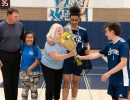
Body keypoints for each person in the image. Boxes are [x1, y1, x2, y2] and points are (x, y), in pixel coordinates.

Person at [77, 22, 130, 100]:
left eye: (106, 32)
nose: (105, 34)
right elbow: (95, 55)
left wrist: (108, 73)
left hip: (122, 80)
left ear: (112, 32)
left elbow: (123, 63)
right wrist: (81, 57)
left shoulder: (123, 44)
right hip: (113, 80)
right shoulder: (109, 45)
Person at [40, 23, 76, 100]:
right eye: (58, 31)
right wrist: (69, 55)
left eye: (61, 31)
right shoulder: (50, 42)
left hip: (59, 67)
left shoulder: (64, 41)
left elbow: (71, 42)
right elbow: (56, 57)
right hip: (48, 66)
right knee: (50, 86)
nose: (60, 32)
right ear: (53, 32)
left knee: (58, 86)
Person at [62, 6, 90, 100]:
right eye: (72, 20)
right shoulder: (65, 30)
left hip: (78, 59)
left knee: (75, 82)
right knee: (66, 82)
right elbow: (60, 44)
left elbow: (87, 43)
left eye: (76, 20)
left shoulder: (83, 31)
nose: (74, 22)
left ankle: (73, 98)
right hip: (67, 59)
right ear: (69, 19)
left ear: (79, 19)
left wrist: (88, 49)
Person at [0, 7, 24, 100]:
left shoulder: (20, 25)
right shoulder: (1, 26)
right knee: (7, 81)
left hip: (16, 55)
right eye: (15, 17)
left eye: (18, 16)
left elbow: (22, 39)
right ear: (9, 15)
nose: (17, 18)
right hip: (4, 56)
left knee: (15, 80)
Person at [20, 31, 41, 100]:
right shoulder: (22, 46)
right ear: (25, 38)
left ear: (34, 39)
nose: (29, 39)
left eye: (31, 37)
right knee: (24, 92)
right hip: (23, 72)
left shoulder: (36, 48)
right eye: (27, 37)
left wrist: (30, 68)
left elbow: (37, 61)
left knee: (34, 92)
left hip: (34, 73)